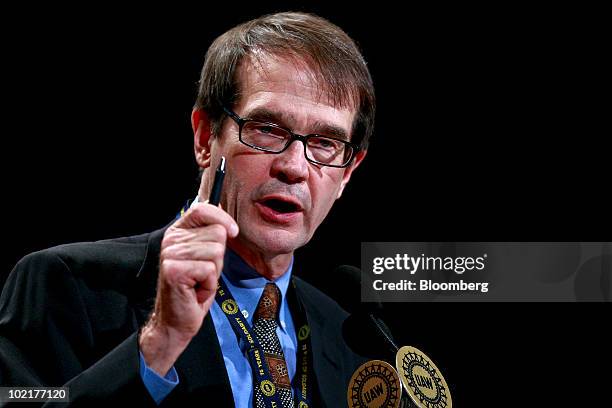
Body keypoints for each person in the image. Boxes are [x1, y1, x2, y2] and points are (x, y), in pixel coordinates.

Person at [0, 11, 375, 406]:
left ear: (347, 173)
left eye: (324, 144)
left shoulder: (350, 337)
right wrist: (159, 341)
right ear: (204, 137)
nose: (295, 167)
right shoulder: (67, 286)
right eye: (267, 129)